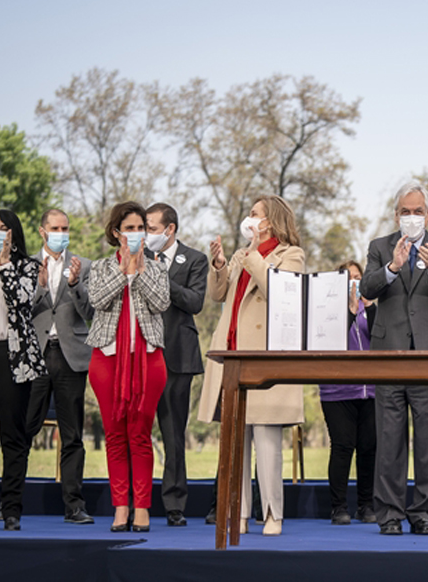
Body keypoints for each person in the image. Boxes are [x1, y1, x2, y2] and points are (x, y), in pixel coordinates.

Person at [197, 195, 305, 536]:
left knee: (267, 442)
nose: (249, 218)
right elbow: (217, 295)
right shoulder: (241, 255)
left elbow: (282, 294)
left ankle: (273, 513)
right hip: (231, 354)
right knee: (236, 442)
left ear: (269, 221)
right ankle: (239, 513)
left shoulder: (291, 255)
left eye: (254, 214)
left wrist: (255, 256)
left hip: (264, 360)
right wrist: (218, 264)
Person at [360, 182, 428, 536]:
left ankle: (424, 514)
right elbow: (366, 288)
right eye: (406, 211)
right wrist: (392, 267)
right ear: (396, 214)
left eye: (419, 211)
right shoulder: (379, 247)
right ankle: (388, 514)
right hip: (389, 355)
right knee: (389, 440)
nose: (412, 217)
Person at [86, 201, 169, 532]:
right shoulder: (102, 267)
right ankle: (121, 506)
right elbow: (97, 300)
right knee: (115, 435)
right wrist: (124, 272)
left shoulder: (157, 268)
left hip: (148, 359)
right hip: (107, 359)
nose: (135, 234)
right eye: (129, 228)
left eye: (141, 229)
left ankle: (143, 507)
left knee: (140, 434)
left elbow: (161, 302)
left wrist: (140, 271)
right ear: (116, 233)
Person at [0, 210, 47, 532]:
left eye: (3, 229)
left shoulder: (29, 268)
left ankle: (12, 508)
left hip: (12, 359)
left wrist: (4, 266)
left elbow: (21, 301)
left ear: (14, 234)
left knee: (14, 439)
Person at [27, 208, 95, 525]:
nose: (61, 233)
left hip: (71, 356)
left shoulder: (84, 266)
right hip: (35, 355)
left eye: (65, 228)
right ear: (43, 231)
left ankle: (74, 505)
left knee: (72, 435)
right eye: (55, 228)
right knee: (22, 431)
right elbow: (19, 311)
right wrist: (39, 286)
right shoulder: (27, 266)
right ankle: (11, 502)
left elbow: (90, 311)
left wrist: (75, 284)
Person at [144, 202, 208, 527]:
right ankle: (135, 502)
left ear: (169, 230)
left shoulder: (195, 259)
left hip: (178, 358)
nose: (146, 234)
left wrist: (159, 278)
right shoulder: (137, 260)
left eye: (152, 228)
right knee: (137, 432)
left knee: (173, 434)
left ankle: (174, 504)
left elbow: (195, 302)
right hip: (142, 354)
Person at [320, 260, 377, 525]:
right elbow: (328, 341)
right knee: (342, 447)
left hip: (371, 389)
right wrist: (350, 313)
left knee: (369, 447)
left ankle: (366, 505)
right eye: (348, 277)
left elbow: (380, 338)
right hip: (337, 390)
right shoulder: (327, 310)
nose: (354, 281)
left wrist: (369, 307)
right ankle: (338, 506)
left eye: (357, 277)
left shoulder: (372, 307)